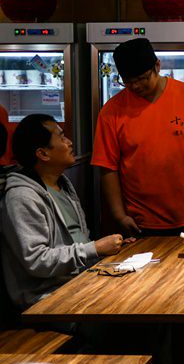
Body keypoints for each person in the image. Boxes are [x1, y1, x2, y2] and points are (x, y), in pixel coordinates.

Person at [91, 38, 184, 237]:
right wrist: (119, 215)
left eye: (142, 78)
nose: (135, 86)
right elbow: (108, 168)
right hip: (138, 221)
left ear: (157, 66)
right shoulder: (111, 112)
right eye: (128, 81)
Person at [0, 114, 128, 309]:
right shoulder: (21, 197)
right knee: (135, 316)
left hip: (81, 280)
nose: (69, 142)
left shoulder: (61, 183)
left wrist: (107, 250)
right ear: (43, 154)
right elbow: (36, 260)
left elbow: (80, 242)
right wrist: (95, 248)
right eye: (61, 138)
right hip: (48, 297)